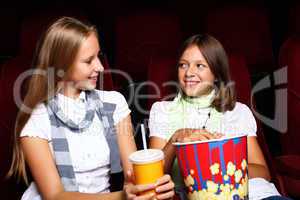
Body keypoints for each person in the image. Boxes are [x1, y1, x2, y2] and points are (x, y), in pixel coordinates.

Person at [7, 16, 174, 200]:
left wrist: (149, 188)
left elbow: (131, 176)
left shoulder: (113, 103)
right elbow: (54, 195)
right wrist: (122, 197)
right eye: (88, 61)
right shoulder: (37, 118)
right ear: (62, 64)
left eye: (99, 56)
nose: (101, 67)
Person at [149, 34, 291, 200]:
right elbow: (153, 179)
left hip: (257, 194)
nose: (189, 72)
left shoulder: (238, 111)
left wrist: (223, 167)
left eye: (200, 65)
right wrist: (176, 139)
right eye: (183, 65)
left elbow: (263, 172)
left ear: (216, 73)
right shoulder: (162, 111)